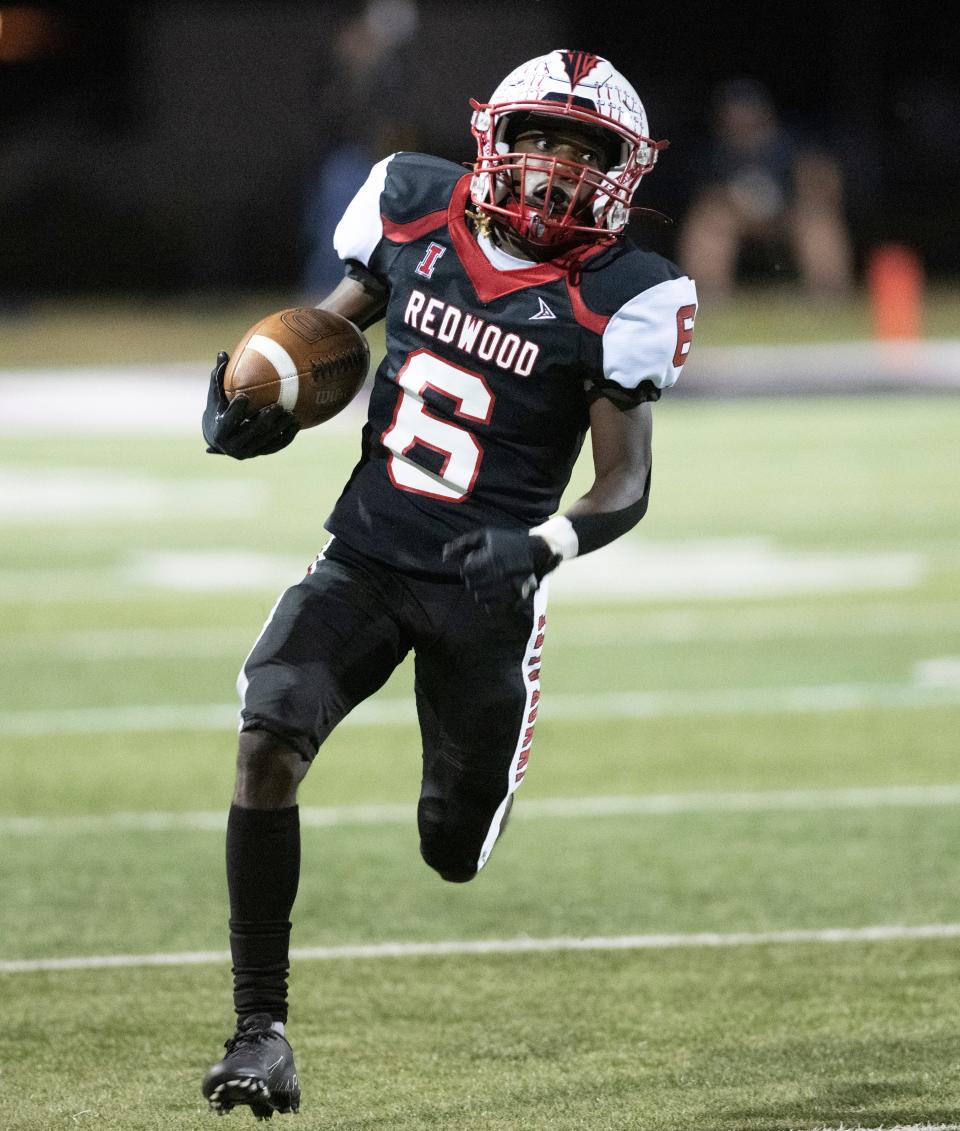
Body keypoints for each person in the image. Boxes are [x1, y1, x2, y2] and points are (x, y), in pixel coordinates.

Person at [200, 48, 697, 1119]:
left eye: (587, 151)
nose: (560, 169)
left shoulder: (627, 295)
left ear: (625, 172)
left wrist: (547, 545)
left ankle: (480, 785)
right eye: (543, 139)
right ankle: (259, 1030)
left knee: (450, 851)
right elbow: (325, 336)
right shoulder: (413, 206)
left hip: (486, 590)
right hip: (368, 556)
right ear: (494, 139)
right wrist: (256, 398)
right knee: (266, 736)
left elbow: (627, 481)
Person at [677, 78, 853, 298]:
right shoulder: (714, 151)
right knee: (708, 222)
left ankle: (829, 296)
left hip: (788, 212)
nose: (741, 118)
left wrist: (810, 196)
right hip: (738, 216)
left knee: (818, 222)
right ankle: (706, 296)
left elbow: (822, 176)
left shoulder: (790, 143)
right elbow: (705, 194)